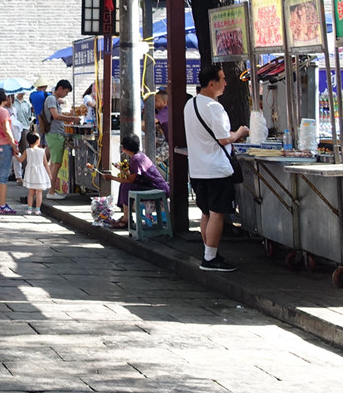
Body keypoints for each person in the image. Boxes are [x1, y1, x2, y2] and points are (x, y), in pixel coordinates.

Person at [184, 62, 249, 272]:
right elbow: (223, 138)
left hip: (197, 169)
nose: (226, 83)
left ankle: (208, 252)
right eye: (222, 79)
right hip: (216, 170)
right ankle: (210, 258)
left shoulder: (190, 105)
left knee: (206, 214)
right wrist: (239, 132)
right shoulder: (214, 107)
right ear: (212, 84)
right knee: (217, 214)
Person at [107, 133, 171, 229]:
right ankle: (126, 216)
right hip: (153, 185)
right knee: (124, 186)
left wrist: (111, 177)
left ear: (125, 148)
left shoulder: (136, 159)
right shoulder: (139, 156)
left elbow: (129, 180)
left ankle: (126, 219)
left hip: (157, 188)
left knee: (125, 186)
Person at [42, 80, 80, 199]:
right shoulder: (52, 99)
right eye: (66, 92)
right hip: (55, 134)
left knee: (54, 162)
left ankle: (52, 190)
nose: (66, 94)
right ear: (60, 88)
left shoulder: (53, 99)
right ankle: (51, 191)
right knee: (56, 163)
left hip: (55, 134)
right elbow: (56, 116)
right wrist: (72, 118)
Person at [20, 132, 50, 215]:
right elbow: (45, 164)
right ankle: (37, 209)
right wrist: (49, 174)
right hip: (39, 173)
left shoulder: (27, 151)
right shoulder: (42, 151)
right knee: (39, 192)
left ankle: (29, 209)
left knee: (31, 192)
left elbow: (21, 160)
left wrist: (15, 155)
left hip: (30, 173)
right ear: (38, 141)